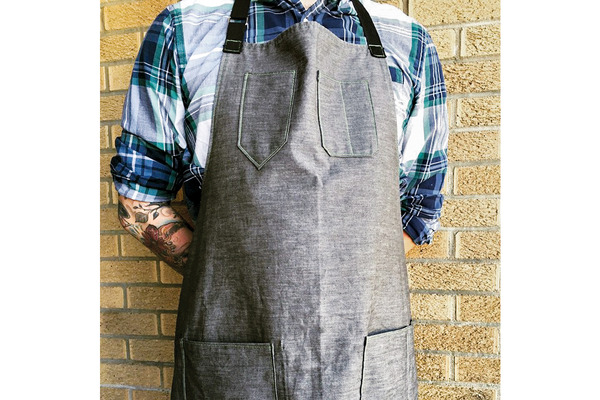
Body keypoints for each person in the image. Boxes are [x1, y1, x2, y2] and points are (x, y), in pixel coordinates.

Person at [110, 0, 448, 397]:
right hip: (235, 350)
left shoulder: (408, 41)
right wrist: (227, 281)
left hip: (365, 359)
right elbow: (140, 201)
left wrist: (351, 283)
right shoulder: (182, 32)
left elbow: (420, 207)